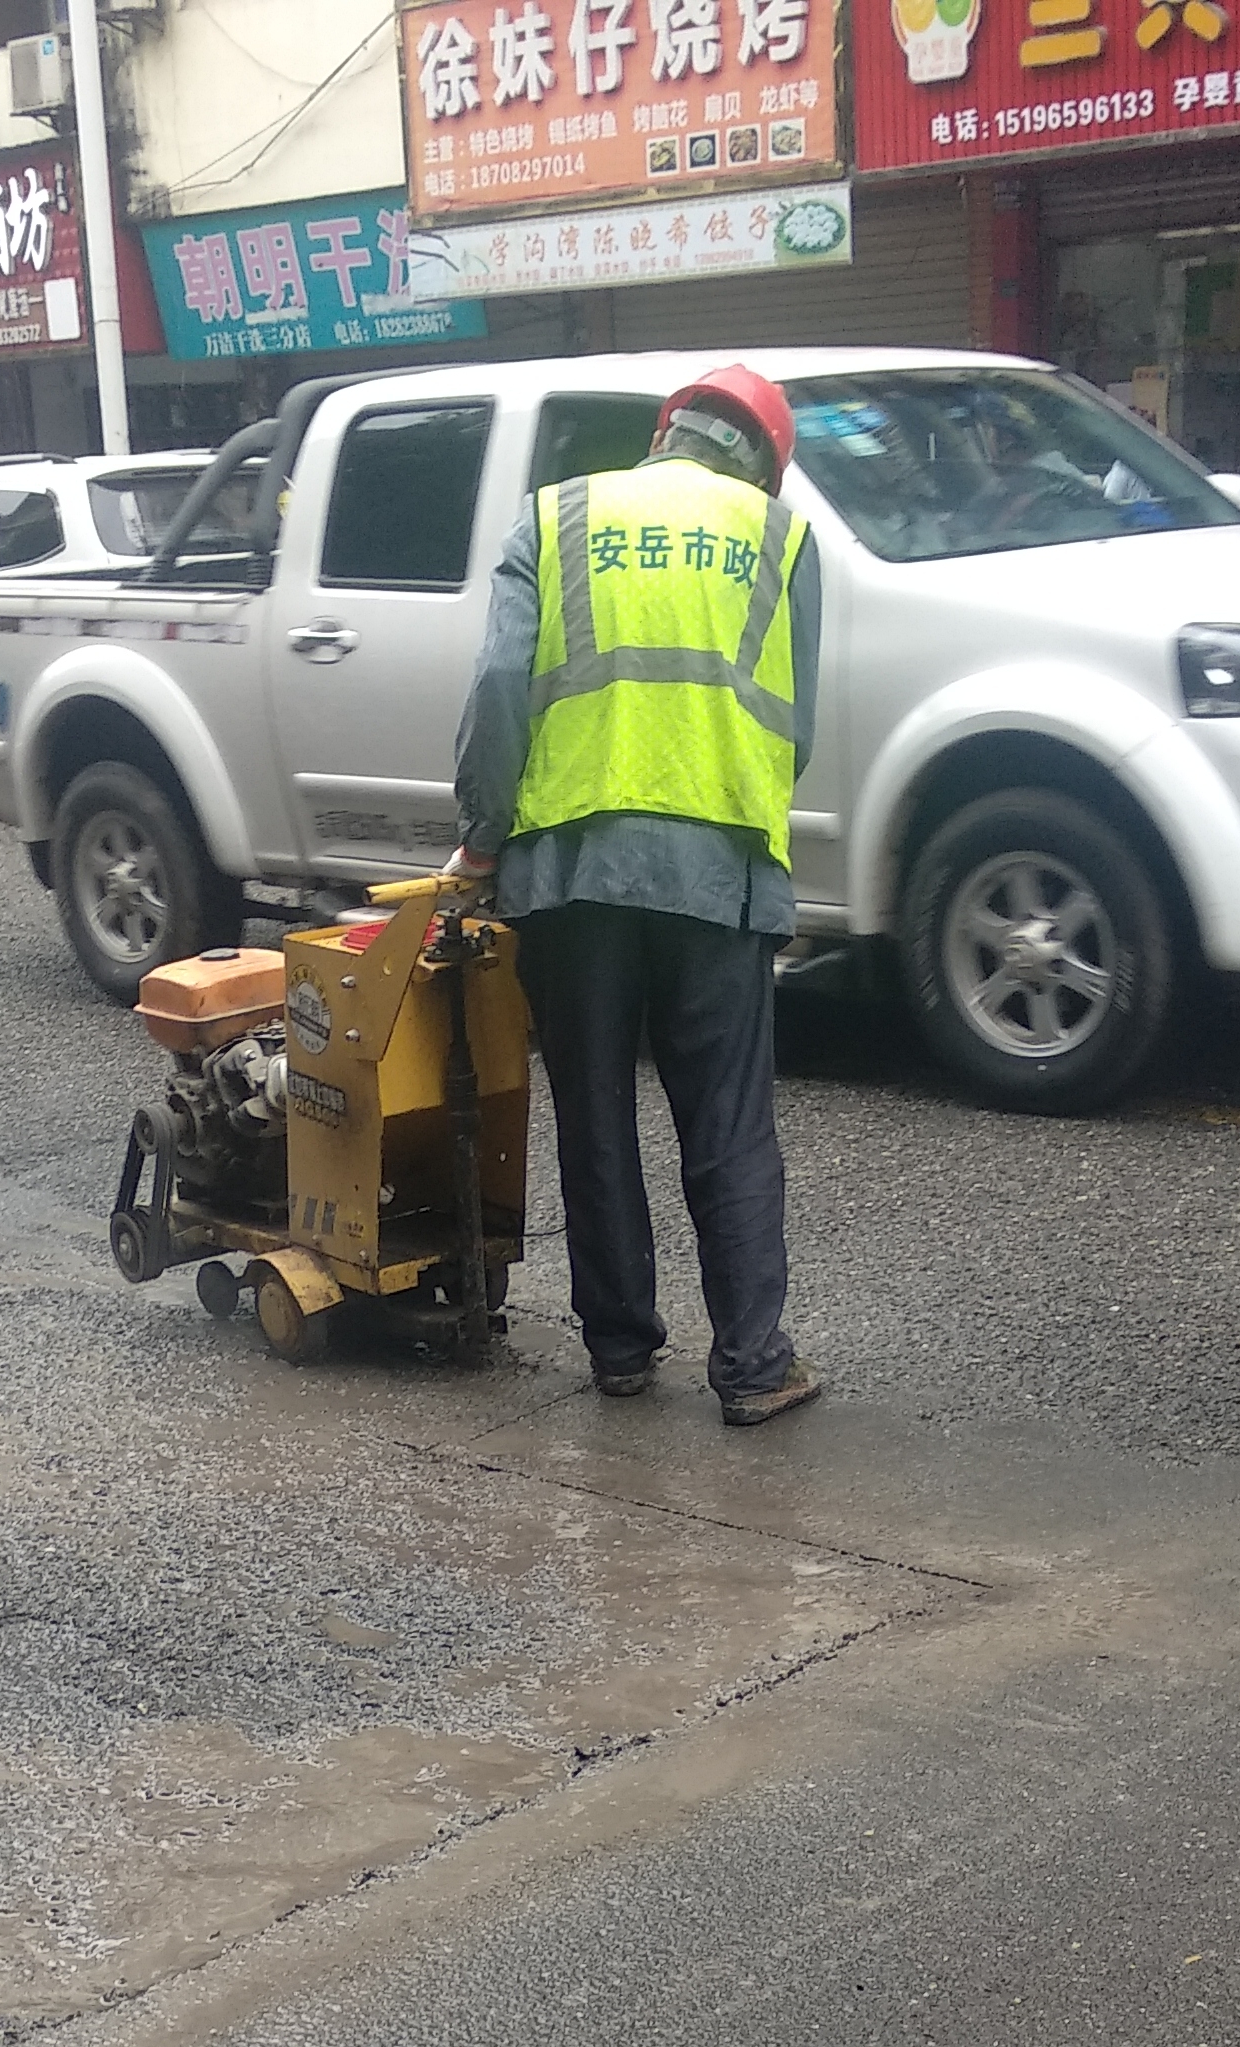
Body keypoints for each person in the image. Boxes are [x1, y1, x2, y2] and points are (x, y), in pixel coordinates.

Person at [450, 362, 823, 1425]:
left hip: (569, 872)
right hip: (720, 866)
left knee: (595, 1113)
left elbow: (495, 688)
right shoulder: (779, 539)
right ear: (765, 464)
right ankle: (754, 1365)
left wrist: (483, 840)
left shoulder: (557, 516)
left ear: (667, 433)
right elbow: (799, 728)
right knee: (729, 1124)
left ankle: (619, 1350)